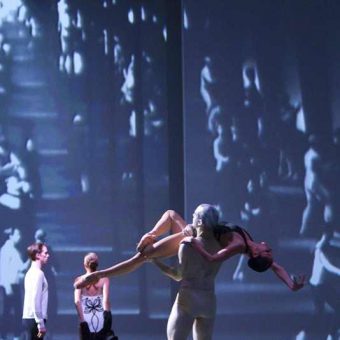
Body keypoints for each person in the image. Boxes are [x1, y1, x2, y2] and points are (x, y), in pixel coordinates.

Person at [74, 209, 304, 291]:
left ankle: (98, 275)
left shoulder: (239, 245)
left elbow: (214, 258)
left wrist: (193, 243)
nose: (270, 247)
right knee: (171, 215)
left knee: (143, 256)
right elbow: (277, 268)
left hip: (193, 237)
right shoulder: (250, 241)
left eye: (268, 251)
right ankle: (151, 234)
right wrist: (292, 285)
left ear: (256, 254)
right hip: (195, 231)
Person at [152, 204, 223, 340]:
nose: (191, 219)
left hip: (189, 298)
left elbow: (177, 275)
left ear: (200, 222)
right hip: (209, 300)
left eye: (194, 216)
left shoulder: (188, 245)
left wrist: (156, 262)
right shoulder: (219, 245)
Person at [74, 252, 117, 340]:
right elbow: (106, 301)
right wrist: (107, 317)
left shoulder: (79, 280)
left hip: (86, 315)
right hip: (100, 314)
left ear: (84, 264)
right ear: (97, 264)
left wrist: (82, 321)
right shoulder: (104, 279)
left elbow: (77, 301)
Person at [0, 227, 29, 340]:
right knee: (8, 312)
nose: (20, 237)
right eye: (17, 235)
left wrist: (31, 259)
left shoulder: (15, 250)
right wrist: (7, 286)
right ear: (11, 236)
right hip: (9, 284)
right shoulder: (6, 250)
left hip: (15, 284)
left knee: (17, 311)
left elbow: (21, 268)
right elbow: (3, 269)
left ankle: (15, 336)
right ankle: (4, 335)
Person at [22, 242, 50, 339]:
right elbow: (35, 299)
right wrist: (40, 323)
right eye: (45, 253)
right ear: (38, 255)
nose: (48, 255)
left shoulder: (30, 273)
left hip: (30, 319)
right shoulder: (38, 274)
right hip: (35, 322)